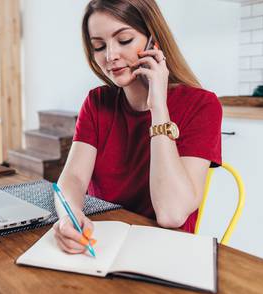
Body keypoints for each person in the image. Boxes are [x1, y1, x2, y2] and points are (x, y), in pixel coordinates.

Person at [53, 0, 222, 254]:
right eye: (99, 46)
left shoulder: (202, 105)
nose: (110, 56)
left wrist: (158, 107)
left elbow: (172, 214)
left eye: (124, 40)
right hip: (102, 243)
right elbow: (73, 178)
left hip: (166, 251)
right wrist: (69, 214)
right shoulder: (97, 102)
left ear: (153, 40)